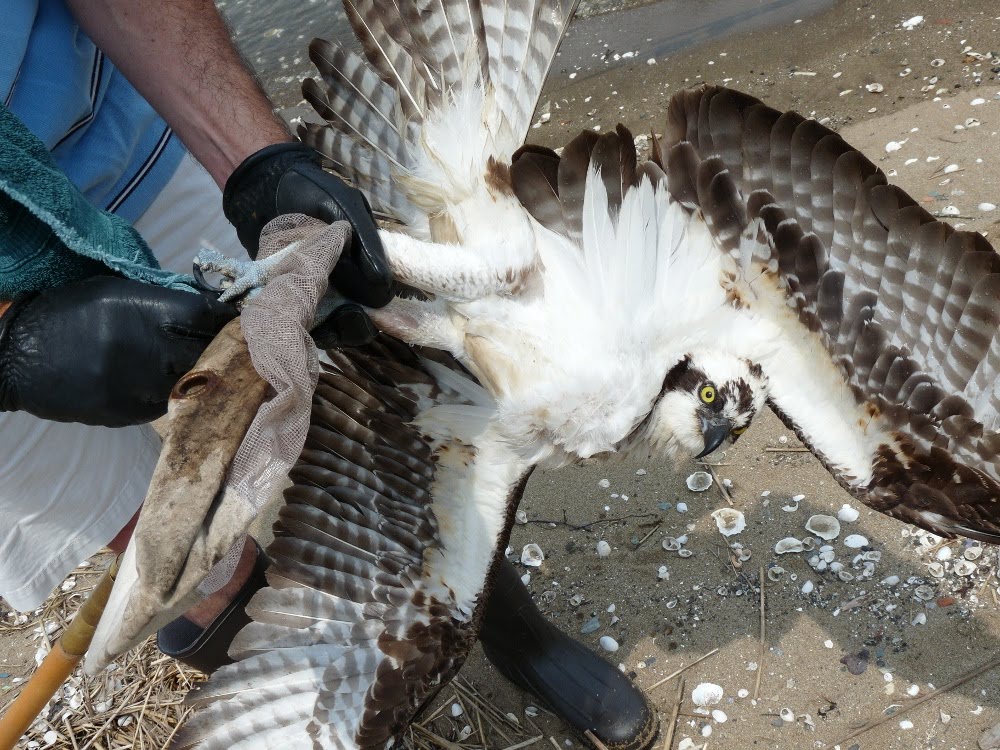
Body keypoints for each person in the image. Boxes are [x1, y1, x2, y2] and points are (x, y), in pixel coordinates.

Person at [0, 1, 655, 747]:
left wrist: (259, 164)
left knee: (407, 419)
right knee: (172, 547)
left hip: (118, 136)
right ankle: (329, 711)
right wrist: (7, 356)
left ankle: (515, 636)